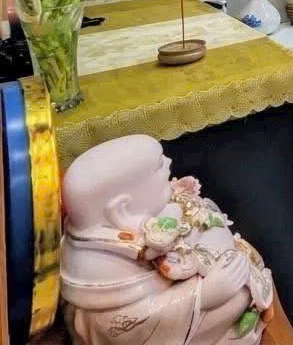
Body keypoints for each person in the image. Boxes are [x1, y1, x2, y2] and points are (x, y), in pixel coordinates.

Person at [60, 135, 275, 345]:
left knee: (241, 278)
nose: (169, 162)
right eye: (158, 166)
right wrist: (202, 296)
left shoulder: (152, 218)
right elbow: (117, 329)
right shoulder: (101, 273)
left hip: (191, 278)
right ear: (122, 210)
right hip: (170, 322)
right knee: (239, 297)